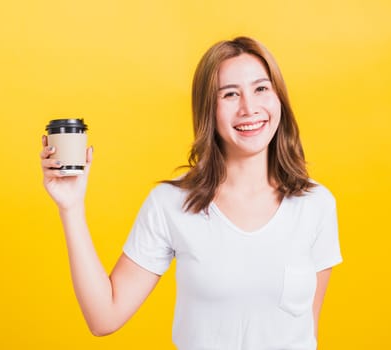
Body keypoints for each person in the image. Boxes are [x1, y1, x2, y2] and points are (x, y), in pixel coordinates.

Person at [40, 36, 342, 350]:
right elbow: (104, 317)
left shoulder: (316, 205)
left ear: (279, 98)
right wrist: (71, 207)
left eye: (261, 88)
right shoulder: (171, 204)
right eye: (229, 94)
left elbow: (306, 330)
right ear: (208, 109)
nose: (249, 108)